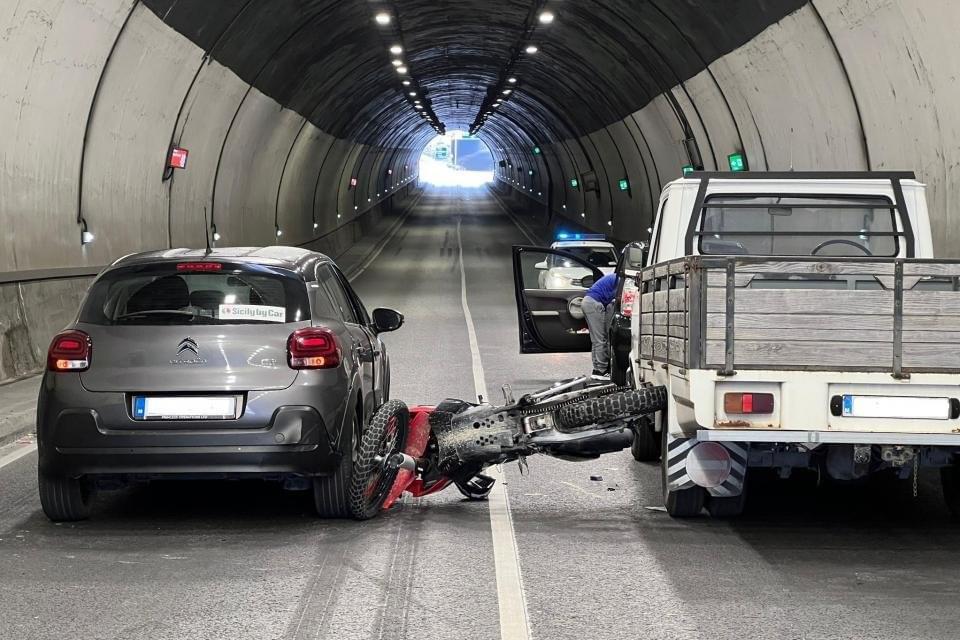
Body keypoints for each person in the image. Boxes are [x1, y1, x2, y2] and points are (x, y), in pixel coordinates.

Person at [582, 273, 619, 379]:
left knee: (595, 340)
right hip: (594, 304)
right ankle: (602, 371)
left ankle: (597, 369)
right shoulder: (622, 280)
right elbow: (615, 303)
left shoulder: (614, 277)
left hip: (587, 302)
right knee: (601, 339)